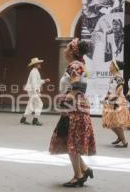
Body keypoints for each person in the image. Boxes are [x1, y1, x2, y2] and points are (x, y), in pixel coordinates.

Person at [49, 38, 96, 188]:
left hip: (74, 109)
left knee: (71, 142)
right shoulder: (80, 64)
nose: (64, 49)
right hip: (78, 107)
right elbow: (79, 84)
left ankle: (78, 177)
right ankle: (85, 169)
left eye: (67, 46)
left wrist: (68, 98)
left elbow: (78, 84)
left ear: (71, 51)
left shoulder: (74, 65)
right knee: (71, 141)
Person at [102, 58, 130, 148]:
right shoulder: (113, 77)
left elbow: (120, 86)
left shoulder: (118, 76)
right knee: (110, 122)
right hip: (112, 100)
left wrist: (115, 95)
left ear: (115, 67)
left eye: (111, 65)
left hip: (117, 102)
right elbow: (111, 89)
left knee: (116, 123)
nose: (109, 66)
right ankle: (119, 137)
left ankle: (124, 142)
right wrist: (106, 96)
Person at [20, 57, 50, 126]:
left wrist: (44, 80)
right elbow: (34, 82)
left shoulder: (35, 71)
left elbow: (38, 81)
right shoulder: (34, 71)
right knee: (40, 104)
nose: (40, 64)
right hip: (33, 91)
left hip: (32, 90)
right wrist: (36, 90)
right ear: (36, 64)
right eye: (39, 63)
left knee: (31, 105)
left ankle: (23, 118)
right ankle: (35, 120)